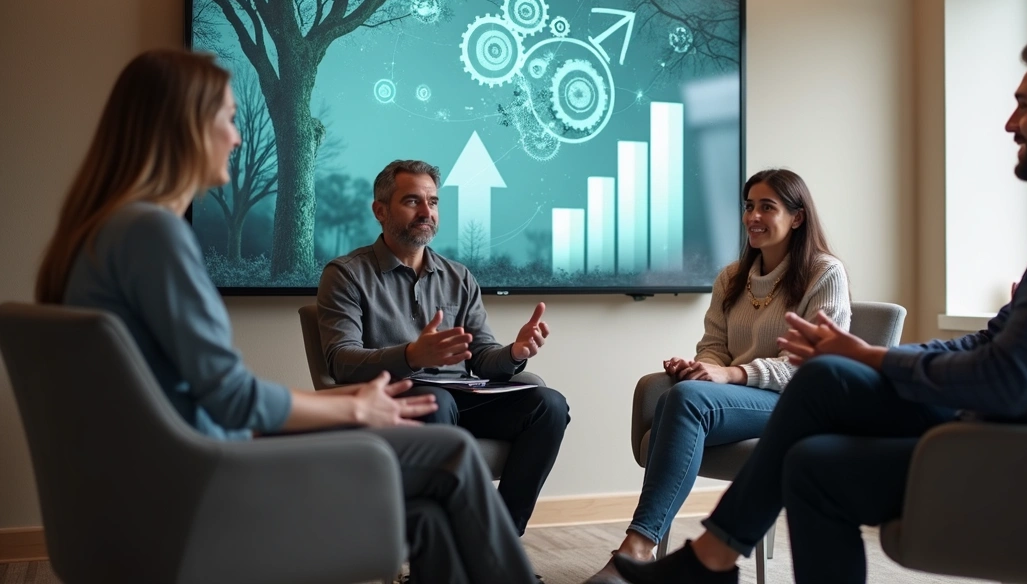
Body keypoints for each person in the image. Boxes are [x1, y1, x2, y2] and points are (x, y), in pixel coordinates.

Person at [610, 37, 1027, 584]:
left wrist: (873, 358)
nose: (1010, 122)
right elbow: (994, 342)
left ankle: (710, 559)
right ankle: (712, 559)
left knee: (815, 453)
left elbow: (1007, 377)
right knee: (821, 403)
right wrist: (873, 356)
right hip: (1026, 426)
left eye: (1024, 106)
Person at [35, 49, 538, 584]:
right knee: (455, 453)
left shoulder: (96, 235)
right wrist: (352, 410)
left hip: (163, 470)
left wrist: (351, 398)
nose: (236, 136)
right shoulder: (151, 235)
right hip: (206, 475)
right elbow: (232, 398)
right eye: (227, 118)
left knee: (431, 519)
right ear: (183, 125)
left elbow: (206, 392)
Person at [585, 169, 851, 583]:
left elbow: (811, 365)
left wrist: (731, 374)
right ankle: (646, 552)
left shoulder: (824, 273)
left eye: (767, 207)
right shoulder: (731, 277)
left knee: (688, 399)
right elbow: (714, 344)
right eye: (748, 207)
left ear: (797, 217)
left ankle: (637, 549)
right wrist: (701, 368)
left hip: (800, 402)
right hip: (744, 398)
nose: (753, 217)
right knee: (685, 392)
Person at [316, 159, 570, 536]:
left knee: (549, 405)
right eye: (413, 201)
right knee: (438, 403)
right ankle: (436, 555)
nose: (426, 212)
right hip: (396, 400)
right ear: (380, 210)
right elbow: (341, 361)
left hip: (460, 398)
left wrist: (515, 352)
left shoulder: (459, 276)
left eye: (433, 202)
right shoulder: (346, 274)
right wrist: (410, 356)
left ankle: (497, 538)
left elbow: (482, 357)